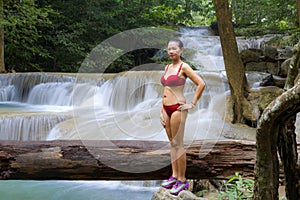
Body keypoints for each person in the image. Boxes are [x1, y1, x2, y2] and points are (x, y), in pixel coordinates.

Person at [160, 38, 206, 195]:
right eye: (168, 49)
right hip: (166, 109)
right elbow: (165, 89)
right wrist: (161, 109)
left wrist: (192, 103)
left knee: (179, 145)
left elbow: (201, 83)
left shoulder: (184, 67)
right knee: (172, 144)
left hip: (178, 108)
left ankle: (182, 180)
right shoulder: (167, 67)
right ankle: (174, 176)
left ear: (181, 50)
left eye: (174, 48)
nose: (171, 51)